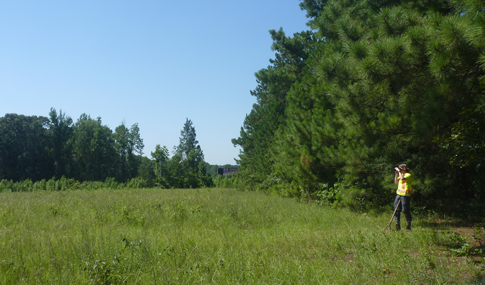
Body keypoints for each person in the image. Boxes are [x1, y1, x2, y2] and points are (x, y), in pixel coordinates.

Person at [393, 163, 413, 231]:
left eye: (400, 168)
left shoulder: (408, 175)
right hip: (399, 194)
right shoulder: (401, 174)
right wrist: (396, 174)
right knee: (396, 209)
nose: (399, 170)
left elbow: (402, 178)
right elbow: (396, 182)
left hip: (405, 195)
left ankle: (408, 225)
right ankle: (397, 224)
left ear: (404, 168)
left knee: (405, 210)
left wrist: (399, 172)